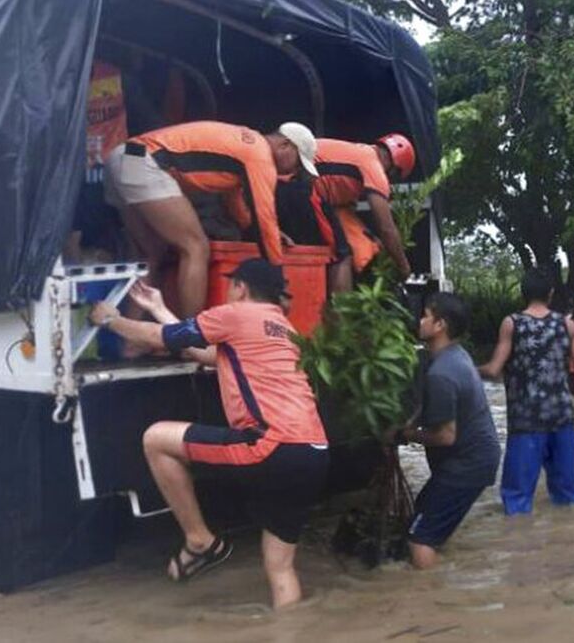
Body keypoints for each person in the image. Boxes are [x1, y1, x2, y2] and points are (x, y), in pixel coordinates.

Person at [88, 259, 328, 609]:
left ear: (241, 288)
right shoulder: (283, 329)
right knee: (280, 568)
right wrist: (158, 307)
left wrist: (110, 320)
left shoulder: (236, 314)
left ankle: (199, 540)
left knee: (156, 439)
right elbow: (207, 352)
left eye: (231, 285)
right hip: (314, 451)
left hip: (270, 445)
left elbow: (162, 339)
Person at [104, 120, 318, 317]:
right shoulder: (260, 156)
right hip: (146, 162)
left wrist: (257, 229)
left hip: (125, 156)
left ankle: (130, 345)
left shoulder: (245, 145)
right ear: (286, 145)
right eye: (298, 164)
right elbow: (265, 216)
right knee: (196, 247)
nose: (293, 172)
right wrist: (278, 280)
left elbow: (234, 202)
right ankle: (191, 338)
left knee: (150, 253)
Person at [391, 293, 500, 568]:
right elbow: (427, 403)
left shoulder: (443, 372)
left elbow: (445, 435)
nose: (419, 320)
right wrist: (408, 424)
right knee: (423, 510)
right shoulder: (454, 355)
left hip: (466, 465)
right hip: (472, 459)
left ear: (440, 325)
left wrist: (404, 435)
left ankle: (430, 601)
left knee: (420, 538)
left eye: (425, 315)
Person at [478, 271, 574, 515]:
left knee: (517, 497)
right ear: (551, 294)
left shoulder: (512, 323)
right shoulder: (568, 325)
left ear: (523, 294)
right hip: (561, 416)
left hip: (526, 419)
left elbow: (493, 370)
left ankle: (521, 546)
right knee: (567, 494)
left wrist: (465, 367)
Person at [310, 135, 417, 292]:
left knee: (345, 237)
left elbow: (343, 209)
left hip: (299, 183)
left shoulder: (359, 152)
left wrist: (373, 241)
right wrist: (404, 267)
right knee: (342, 254)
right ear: (394, 169)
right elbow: (386, 228)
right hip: (303, 187)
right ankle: (341, 309)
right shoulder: (374, 167)